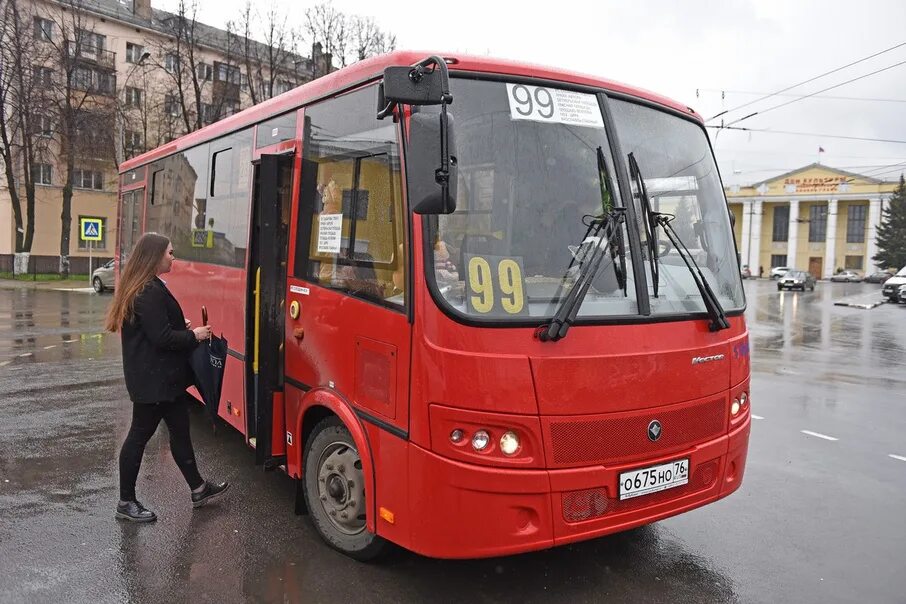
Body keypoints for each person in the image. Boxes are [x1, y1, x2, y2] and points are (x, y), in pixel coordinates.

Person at [104, 233, 229, 522]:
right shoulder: (148, 290)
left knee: (180, 431)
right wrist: (193, 335)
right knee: (138, 437)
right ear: (156, 255)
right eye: (170, 253)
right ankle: (126, 502)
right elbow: (160, 338)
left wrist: (178, 325)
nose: (174, 257)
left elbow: (155, 329)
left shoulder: (147, 286)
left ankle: (198, 488)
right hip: (153, 382)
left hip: (163, 379)